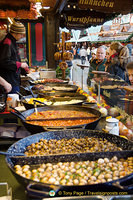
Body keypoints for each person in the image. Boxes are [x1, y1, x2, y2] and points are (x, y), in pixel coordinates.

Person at [0, 20, 29, 94]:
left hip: (13, 79)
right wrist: (20, 65)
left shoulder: (12, 41)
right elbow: (4, 62)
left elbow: (13, 59)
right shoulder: (7, 42)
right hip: (9, 80)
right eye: (21, 34)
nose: (22, 36)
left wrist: (23, 69)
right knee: (12, 102)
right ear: (15, 33)